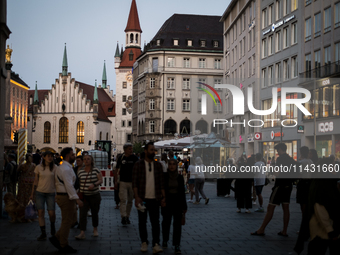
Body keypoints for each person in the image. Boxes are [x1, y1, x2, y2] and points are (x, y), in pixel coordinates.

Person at [294, 158, 340, 255]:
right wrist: (330, 230)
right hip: (321, 229)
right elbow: (320, 208)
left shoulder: (323, 181)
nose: (336, 168)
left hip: (324, 228)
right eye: (333, 166)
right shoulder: (323, 184)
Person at [251, 143, 296, 237]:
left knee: (270, 207)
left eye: (277, 150)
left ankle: (261, 229)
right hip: (288, 186)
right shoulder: (291, 159)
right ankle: (284, 230)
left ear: (280, 149)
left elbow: (277, 173)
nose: (277, 152)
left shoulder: (280, 159)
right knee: (286, 208)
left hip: (280, 186)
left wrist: (272, 170)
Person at [132, 142, 165, 253]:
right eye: (151, 150)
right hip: (142, 198)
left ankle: (156, 243)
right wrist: (136, 197)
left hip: (155, 198)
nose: (153, 152)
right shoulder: (138, 164)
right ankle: (144, 242)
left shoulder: (158, 165)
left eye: (154, 150)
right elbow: (135, 183)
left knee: (155, 222)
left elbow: (161, 183)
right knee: (142, 222)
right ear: (145, 151)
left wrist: (163, 197)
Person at [49, 148, 83, 254]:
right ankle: (63, 245)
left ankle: (57, 237)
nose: (74, 156)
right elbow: (69, 186)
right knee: (67, 222)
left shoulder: (65, 167)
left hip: (65, 196)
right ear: (68, 156)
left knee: (70, 220)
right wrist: (77, 199)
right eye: (73, 154)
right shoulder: (65, 169)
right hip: (66, 197)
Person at [161, 159, 187, 254]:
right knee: (166, 223)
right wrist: (162, 200)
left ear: (176, 166)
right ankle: (165, 239)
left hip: (177, 202)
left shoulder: (179, 177)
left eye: (173, 164)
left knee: (177, 225)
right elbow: (162, 188)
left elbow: (182, 193)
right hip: (167, 202)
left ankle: (177, 244)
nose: (172, 166)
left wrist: (184, 206)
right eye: (170, 164)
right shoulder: (164, 176)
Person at [30, 151, 57, 241]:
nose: (50, 158)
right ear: (44, 157)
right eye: (48, 156)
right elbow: (36, 180)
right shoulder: (38, 167)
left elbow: (57, 182)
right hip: (40, 192)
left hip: (51, 192)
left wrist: (57, 193)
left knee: (51, 213)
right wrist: (32, 193)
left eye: (51, 156)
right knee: (40, 213)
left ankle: (52, 226)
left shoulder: (55, 168)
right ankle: (43, 232)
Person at [75, 155, 103, 239]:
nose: (86, 161)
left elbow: (100, 180)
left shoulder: (96, 170)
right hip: (84, 196)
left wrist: (94, 184)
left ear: (91, 161)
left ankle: (95, 229)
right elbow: (78, 183)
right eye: (85, 159)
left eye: (88, 159)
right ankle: (82, 232)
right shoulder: (80, 172)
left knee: (95, 213)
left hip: (94, 195)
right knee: (82, 214)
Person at [115, 143, 139, 225]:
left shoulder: (135, 158)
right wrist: (116, 181)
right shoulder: (121, 158)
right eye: (129, 149)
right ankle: (123, 216)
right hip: (123, 182)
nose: (131, 150)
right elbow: (117, 169)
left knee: (130, 200)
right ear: (125, 150)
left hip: (132, 182)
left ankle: (127, 216)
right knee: (123, 199)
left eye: (131, 149)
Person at [296, 146, 313, 214]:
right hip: (309, 182)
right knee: (308, 202)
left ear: (301, 153)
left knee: (302, 203)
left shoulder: (301, 162)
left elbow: (299, 174)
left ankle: (304, 218)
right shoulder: (311, 162)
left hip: (302, 183)